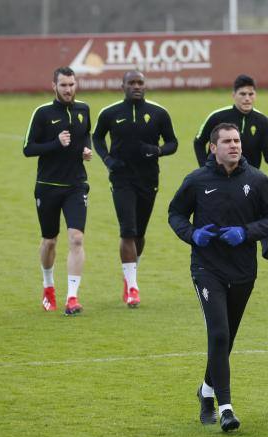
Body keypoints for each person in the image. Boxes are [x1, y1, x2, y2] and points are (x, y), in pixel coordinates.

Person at [168, 123, 268, 432]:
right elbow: (175, 213)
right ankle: (226, 408)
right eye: (227, 141)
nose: (234, 146)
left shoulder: (257, 180)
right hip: (207, 269)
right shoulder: (197, 180)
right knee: (218, 333)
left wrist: (246, 233)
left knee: (227, 338)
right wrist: (193, 235)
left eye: (237, 141)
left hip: (243, 271)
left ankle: (205, 391)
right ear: (212, 147)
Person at [93, 70, 178, 308]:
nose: (136, 86)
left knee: (140, 233)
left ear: (145, 85)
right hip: (121, 179)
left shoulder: (158, 113)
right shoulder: (110, 113)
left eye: (140, 82)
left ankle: (130, 274)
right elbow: (97, 138)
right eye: (131, 83)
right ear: (123, 86)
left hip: (148, 180)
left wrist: (158, 150)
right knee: (127, 231)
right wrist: (108, 160)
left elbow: (173, 142)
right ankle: (132, 288)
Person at [23, 66, 92, 316]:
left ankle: (72, 297)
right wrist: (56, 143)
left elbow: (86, 136)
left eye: (72, 84)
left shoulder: (83, 109)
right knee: (50, 241)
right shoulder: (42, 113)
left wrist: (86, 150)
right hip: (48, 187)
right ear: (54, 86)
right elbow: (28, 148)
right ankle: (48, 286)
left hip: (76, 185)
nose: (68, 89)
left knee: (76, 238)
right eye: (63, 85)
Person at [193, 74, 268, 170]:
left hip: (248, 179)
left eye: (251, 94)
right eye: (242, 94)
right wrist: (205, 168)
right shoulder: (217, 116)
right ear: (233, 95)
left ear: (255, 95)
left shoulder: (263, 121)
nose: (247, 98)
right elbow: (199, 142)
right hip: (218, 176)